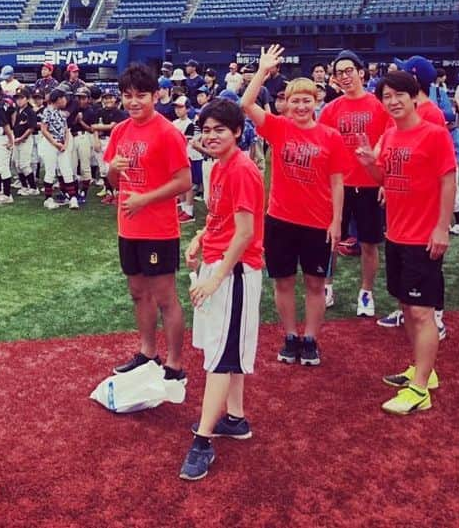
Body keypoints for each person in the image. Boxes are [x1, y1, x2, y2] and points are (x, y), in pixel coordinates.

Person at [355, 70, 456, 415]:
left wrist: (442, 228)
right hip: (396, 234)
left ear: (415, 97)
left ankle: (420, 390)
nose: (393, 101)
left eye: (399, 95)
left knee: (422, 311)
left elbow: (448, 181)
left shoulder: (434, 134)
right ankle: (421, 370)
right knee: (407, 309)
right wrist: (370, 165)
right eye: (386, 96)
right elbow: (385, 178)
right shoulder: (390, 135)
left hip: (422, 236)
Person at [242, 48, 346, 367]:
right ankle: (290, 335)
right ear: (286, 103)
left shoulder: (330, 136)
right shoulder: (278, 128)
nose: (301, 106)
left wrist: (337, 222)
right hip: (280, 220)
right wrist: (262, 71)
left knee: (315, 284)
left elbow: (337, 182)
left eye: (307, 100)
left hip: (317, 223)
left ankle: (311, 338)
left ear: (316, 102)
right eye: (295, 100)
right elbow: (246, 105)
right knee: (283, 281)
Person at [179, 99, 265, 482]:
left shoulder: (242, 169)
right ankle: (234, 418)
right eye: (206, 129)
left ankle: (203, 440)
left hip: (237, 273)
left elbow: (245, 232)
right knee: (222, 349)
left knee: (220, 356)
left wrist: (216, 278)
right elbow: (221, 217)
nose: (211, 135)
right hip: (221, 265)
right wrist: (200, 236)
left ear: (236, 133)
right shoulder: (219, 167)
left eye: (219, 129)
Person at [105, 63, 192, 382]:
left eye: (141, 95)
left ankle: (175, 363)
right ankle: (147, 352)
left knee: (165, 296)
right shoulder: (120, 131)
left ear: (156, 95)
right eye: (127, 96)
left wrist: (145, 199)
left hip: (158, 229)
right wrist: (113, 168)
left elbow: (184, 181)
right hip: (128, 229)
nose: (134, 102)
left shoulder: (168, 132)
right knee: (138, 292)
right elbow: (113, 181)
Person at [318, 49, 392, 316]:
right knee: (331, 239)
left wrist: (384, 179)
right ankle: (326, 285)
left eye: (349, 71)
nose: (345, 77)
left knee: (370, 243)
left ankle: (366, 292)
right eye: (339, 73)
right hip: (339, 185)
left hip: (371, 184)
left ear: (361, 72)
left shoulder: (379, 106)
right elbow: (322, 147)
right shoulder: (329, 110)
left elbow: (389, 143)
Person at [38, 88, 77, 210]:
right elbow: (44, 130)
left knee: (66, 170)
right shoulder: (47, 111)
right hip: (50, 144)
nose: (66, 100)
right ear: (59, 99)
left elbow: (66, 129)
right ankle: (48, 199)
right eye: (64, 98)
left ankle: (72, 197)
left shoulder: (61, 113)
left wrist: (65, 144)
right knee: (50, 171)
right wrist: (55, 143)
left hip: (61, 144)